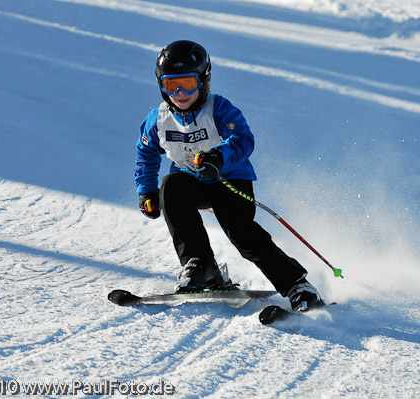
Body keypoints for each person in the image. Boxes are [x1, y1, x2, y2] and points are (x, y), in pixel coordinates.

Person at [134, 40, 324, 312]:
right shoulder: (158, 119)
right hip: (191, 184)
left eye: (188, 84)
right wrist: (146, 190)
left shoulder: (219, 108)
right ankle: (201, 266)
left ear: (204, 80)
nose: (179, 93)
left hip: (229, 182)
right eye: (170, 85)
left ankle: (297, 284)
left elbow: (243, 138)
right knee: (171, 185)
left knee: (243, 235)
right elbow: (146, 153)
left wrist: (219, 157)